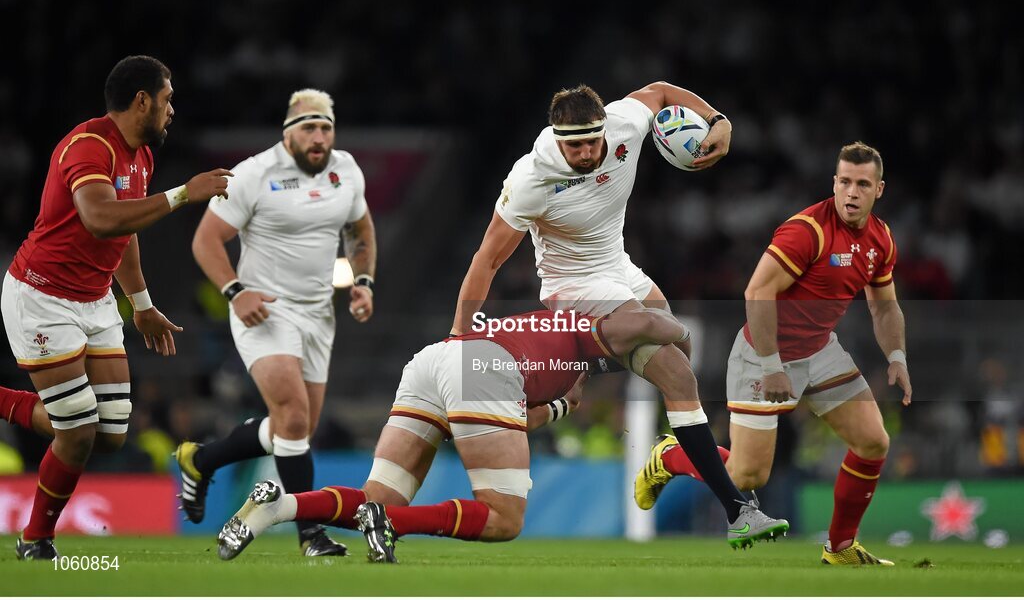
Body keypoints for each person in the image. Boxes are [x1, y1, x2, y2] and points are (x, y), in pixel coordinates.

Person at [216, 308, 788, 563]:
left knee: (377, 499)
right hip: (484, 369)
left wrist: (560, 407)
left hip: (436, 362)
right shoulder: (580, 324)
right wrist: (684, 336)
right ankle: (390, 526)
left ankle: (280, 506)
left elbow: (521, 419)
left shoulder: (558, 353)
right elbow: (639, 323)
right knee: (505, 517)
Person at [449, 82, 751, 529]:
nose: (588, 152)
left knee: (682, 364)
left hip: (620, 268)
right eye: (576, 145)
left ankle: (655, 444)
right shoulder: (531, 178)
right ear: (557, 139)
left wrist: (718, 120)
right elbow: (487, 260)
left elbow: (662, 92)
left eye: (594, 140)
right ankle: (739, 511)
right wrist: (459, 335)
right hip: (571, 287)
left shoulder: (625, 124)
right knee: (670, 351)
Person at [634, 142, 912, 566]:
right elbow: (758, 291)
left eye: (862, 184)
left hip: (820, 351)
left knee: (874, 441)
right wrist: (772, 367)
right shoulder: (807, 230)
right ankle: (670, 456)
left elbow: (885, 304)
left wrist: (896, 356)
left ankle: (839, 549)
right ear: (833, 184)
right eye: (844, 182)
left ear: (879, 189)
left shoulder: (881, 238)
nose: (851, 192)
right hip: (763, 354)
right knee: (748, 475)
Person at [0, 55, 231, 560]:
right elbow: (101, 218)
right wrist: (183, 195)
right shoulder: (89, 146)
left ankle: (20, 411)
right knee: (77, 430)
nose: (173, 110)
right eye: (167, 99)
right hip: (42, 296)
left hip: (95, 297)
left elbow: (124, 231)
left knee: (109, 433)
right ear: (142, 100)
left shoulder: (141, 155)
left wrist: (141, 303)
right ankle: (36, 539)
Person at [175, 88, 376, 557]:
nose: (319, 137)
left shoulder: (345, 169)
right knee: (292, 416)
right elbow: (206, 240)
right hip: (262, 308)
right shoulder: (253, 174)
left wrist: (363, 280)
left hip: (318, 312)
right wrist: (235, 291)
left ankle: (201, 459)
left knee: (295, 429)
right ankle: (310, 534)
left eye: (325, 127)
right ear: (288, 133)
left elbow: (361, 228)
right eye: (308, 127)